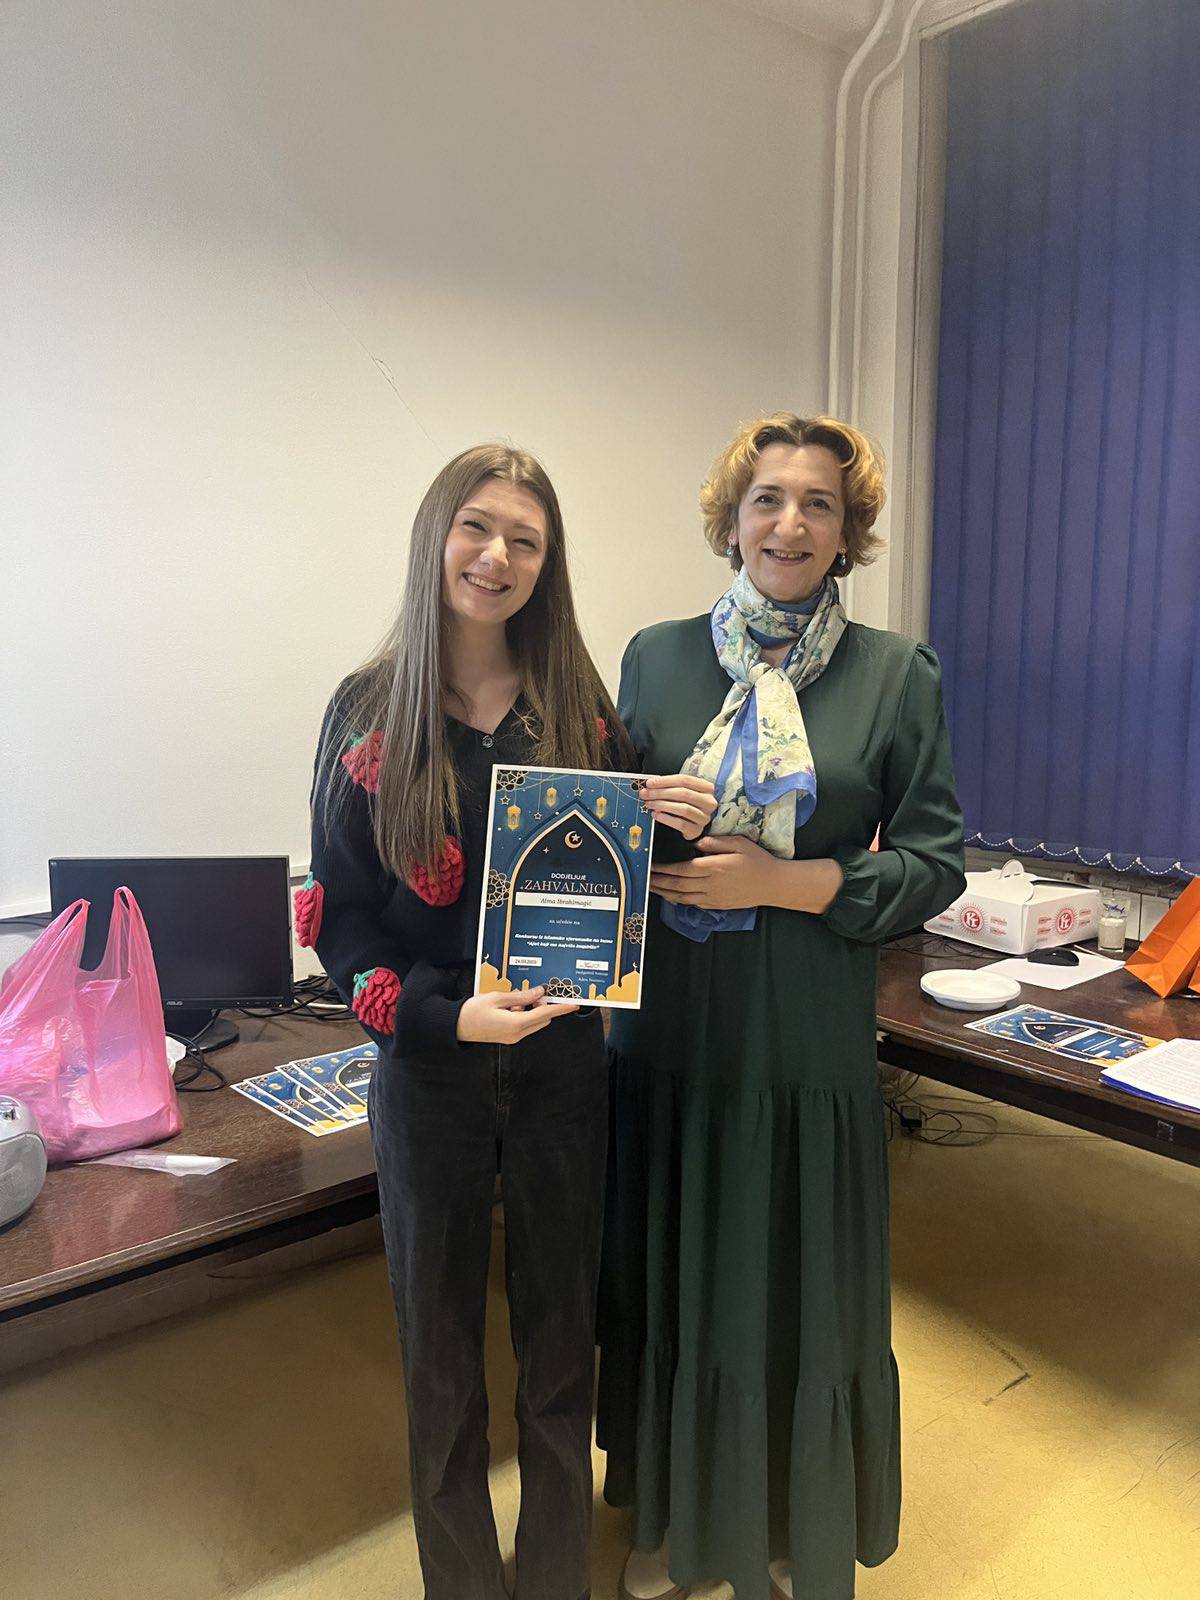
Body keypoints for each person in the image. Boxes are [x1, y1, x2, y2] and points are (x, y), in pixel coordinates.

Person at [299, 444, 714, 1600]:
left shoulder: (578, 708)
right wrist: (444, 1019)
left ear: (547, 563)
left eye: (525, 540)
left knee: (558, 1358)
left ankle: (553, 1583)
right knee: (439, 1366)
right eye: (477, 528)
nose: (497, 556)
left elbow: (615, 878)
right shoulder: (365, 712)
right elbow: (339, 922)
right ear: (437, 537)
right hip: (428, 1077)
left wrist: (671, 816)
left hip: (566, 1074)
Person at [595, 414, 967, 1600]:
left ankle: (789, 1520)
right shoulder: (655, 658)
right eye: (768, 498)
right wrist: (640, 822)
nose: (790, 523)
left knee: (791, 1275)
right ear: (731, 520)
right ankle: (672, 1515)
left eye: (819, 504)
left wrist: (786, 881)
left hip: (804, 1028)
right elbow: (604, 834)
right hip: (668, 1023)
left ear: (848, 533)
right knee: (678, 1262)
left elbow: (935, 863)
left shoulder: (897, 673)